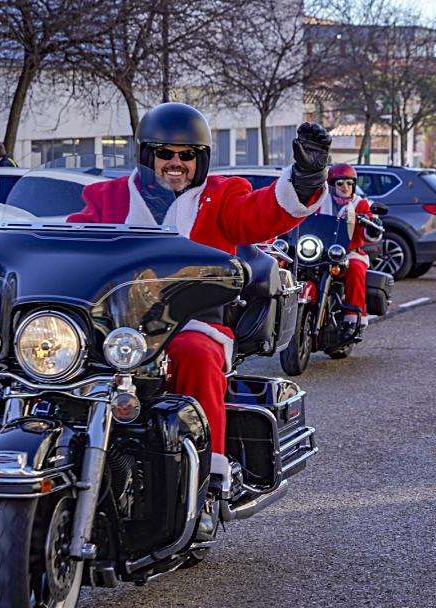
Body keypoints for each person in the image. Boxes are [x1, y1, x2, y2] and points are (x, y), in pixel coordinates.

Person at [67, 102, 330, 491]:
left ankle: (207, 479)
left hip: (192, 322)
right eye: (165, 153)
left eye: (187, 155)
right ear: (146, 155)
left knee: (195, 353)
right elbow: (74, 243)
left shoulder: (222, 196)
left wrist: (306, 177)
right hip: (117, 327)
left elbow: (262, 214)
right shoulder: (107, 197)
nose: (176, 163)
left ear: (201, 159)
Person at [317, 163, 376, 326]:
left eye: (349, 183)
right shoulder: (320, 201)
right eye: (340, 183)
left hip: (349, 253)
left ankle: (354, 317)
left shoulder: (360, 204)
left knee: (356, 268)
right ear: (331, 185)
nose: (345, 187)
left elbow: (368, 229)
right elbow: (308, 218)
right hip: (321, 252)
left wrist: (372, 226)